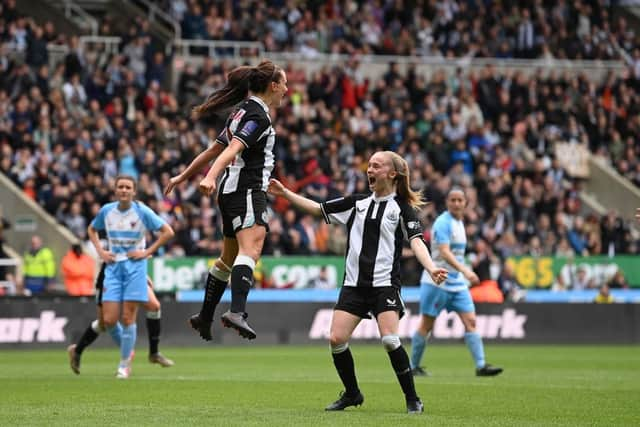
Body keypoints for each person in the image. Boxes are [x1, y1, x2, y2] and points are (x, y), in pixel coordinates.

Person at [268, 151, 448, 414]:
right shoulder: (357, 203)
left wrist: (431, 267)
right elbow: (319, 210)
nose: (370, 169)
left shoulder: (401, 208)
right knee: (336, 338)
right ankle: (352, 393)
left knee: (389, 340)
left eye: (376, 165)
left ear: (392, 174)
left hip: (384, 285)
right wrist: (286, 194)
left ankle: (413, 398)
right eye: (369, 165)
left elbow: (417, 241)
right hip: (353, 285)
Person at [164, 60, 287, 341]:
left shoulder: (239, 111)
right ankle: (237, 312)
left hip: (229, 193)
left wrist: (183, 176)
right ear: (273, 86)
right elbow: (232, 148)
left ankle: (205, 316)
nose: (287, 89)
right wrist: (209, 176)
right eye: (284, 83)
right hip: (247, 191)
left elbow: (214, 148)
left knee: (228, 257)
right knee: (251, 250)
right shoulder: (258, 116)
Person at [87, 175, 174, 379]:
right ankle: (140, 354)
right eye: (120, 187)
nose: (124, 190)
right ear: (115, 190)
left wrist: (146, 252)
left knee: (128, 317)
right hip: (113, 267)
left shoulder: (142, 211)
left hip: (135, 267)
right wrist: (100, 251)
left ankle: (124, 365)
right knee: (108, 320)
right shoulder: (107, 211)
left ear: (134, 191)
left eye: (128, 187)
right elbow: (92, 229)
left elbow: (167, 232)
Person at [410, 187, 503, 377]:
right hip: (437, 281)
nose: (457, 203)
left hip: (457, 283)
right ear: (447, 202)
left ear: (466, 203)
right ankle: (413, 366)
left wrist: (463, 272)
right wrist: (466, 270)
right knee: (426, 325)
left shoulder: (459, 223)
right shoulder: (443, 223)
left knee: (471, 321)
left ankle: (481, 365)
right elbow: (444, 251)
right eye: (453, 200)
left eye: (460, 200)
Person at [67, 263, 175, 375]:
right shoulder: (110, 247)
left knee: (154, 307)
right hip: (110, 275)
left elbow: (136, 253)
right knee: (104, 323)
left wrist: (143, 274)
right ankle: (77, 351)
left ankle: (153, 353)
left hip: (133, 274)